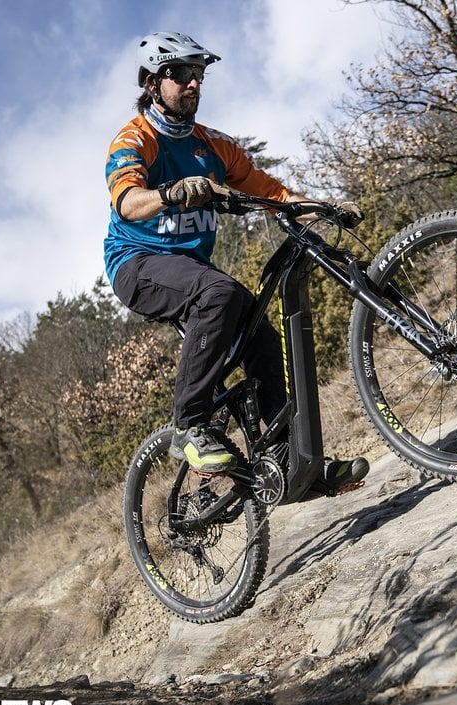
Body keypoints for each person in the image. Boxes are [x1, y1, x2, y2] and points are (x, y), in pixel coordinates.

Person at [103, 31, 368, 492]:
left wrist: (325, 208)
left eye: (198, 75)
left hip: (192, 269)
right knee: (219, 292)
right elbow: (127, 200)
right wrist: (170, 192)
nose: (193, 84)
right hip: (138, 264)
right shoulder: (134, 138)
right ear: (152, 83)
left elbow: (274, 195)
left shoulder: (215, 146)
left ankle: (293, 469)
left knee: (263, 337)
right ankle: (189, 425)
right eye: (181, 74)